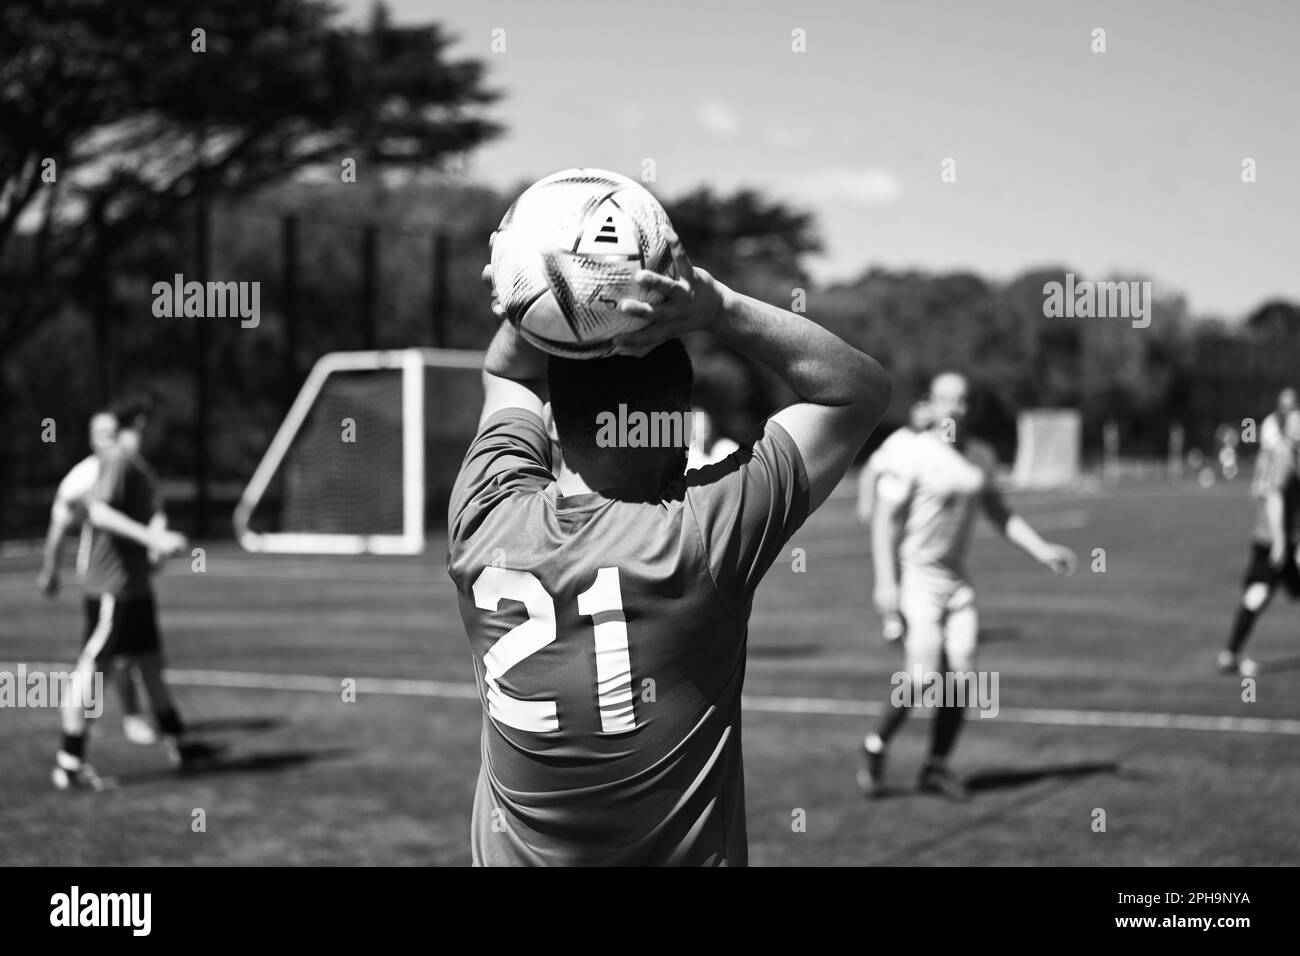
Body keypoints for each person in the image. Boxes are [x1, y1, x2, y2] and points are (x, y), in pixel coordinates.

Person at [447, 232, 891, 865]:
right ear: (676, 431)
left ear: (548, 422)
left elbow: (503, 372)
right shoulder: (700, 535)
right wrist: (719, 307)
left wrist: (534, 294)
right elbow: (859, 390)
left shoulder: (482, 514)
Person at [859, 372, 1077, 800]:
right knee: (921, 679)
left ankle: (935, 767)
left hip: (957, 584)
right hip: (917, 580)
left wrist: (1041, 549)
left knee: (962, 680)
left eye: (962, 401)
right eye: (946, 400)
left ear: (970, 407)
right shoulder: (913, 452)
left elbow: (999, 513)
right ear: (932, 404)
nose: (954, 409)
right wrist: (885, 582)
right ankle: (876, 745)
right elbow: (884, 520)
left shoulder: (980, 456)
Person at [52, 402, 218, 791]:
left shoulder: (140, 466)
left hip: (136, 588)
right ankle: (69, 761)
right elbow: (100, 512)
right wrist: (151, 538)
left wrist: (156, 537)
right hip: (113, 589)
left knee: (151, 665)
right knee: (93, 672)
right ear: (139, 425)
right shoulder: (117, 461)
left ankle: (180, 743)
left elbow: (154, 510)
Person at [38, 411, 157, 745]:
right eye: (102, 433)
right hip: (106, 582)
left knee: (128, 654)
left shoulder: (131, 467)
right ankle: (76, 731)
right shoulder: (83, 477)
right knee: (101, 657)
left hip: (133, 580)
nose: (109, 438)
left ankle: (128, 718)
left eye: (113, 431)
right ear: (91, 438)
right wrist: (50, 570)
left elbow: (153, 509)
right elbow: (60, 525)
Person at [1218, 406, 1300, 677]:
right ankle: (1230, 654)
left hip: (1280, 540)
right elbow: (1274, 496)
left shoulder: (1286, 453)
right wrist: (1280, 542)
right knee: (1258, 594)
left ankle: (1230, 654)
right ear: (1287, 429)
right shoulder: (1286, 456)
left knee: (1259, 594)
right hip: (1276, 542)